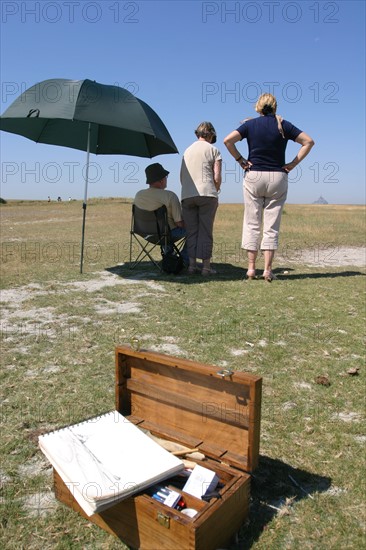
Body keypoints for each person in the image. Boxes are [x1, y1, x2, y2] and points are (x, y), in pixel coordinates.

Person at [224, 93, 314, 281]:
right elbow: (308, 141)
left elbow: (227, 140)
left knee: (251, 222)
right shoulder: (284, 125)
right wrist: (292, 164)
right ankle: (267, 270)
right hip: (278, 176)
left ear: (258, 107)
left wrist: (240, 160)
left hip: (254, 174)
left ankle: (250, 269)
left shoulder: (249, 125)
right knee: (271, 225)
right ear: (275, 107)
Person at [180, 122, 222, 276]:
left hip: (187, 195)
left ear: (197, 133)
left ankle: (191, 266)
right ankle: (206, 267)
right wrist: (216, 188)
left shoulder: (187, 151)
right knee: (206, 230)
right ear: (210, 134)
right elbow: (216, 176)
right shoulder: (214, 150)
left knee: (191, 231)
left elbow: (181, 176)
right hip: (207, 194)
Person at [134, 163, 188, 264]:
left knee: (164, 229)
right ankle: (183, 260)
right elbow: (179, 223)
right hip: (165, 235)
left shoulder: (139, 195)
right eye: (166, 177)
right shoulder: (170, 196)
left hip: (145, 233)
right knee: (195, 230)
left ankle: (170, 256)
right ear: (161, 180)